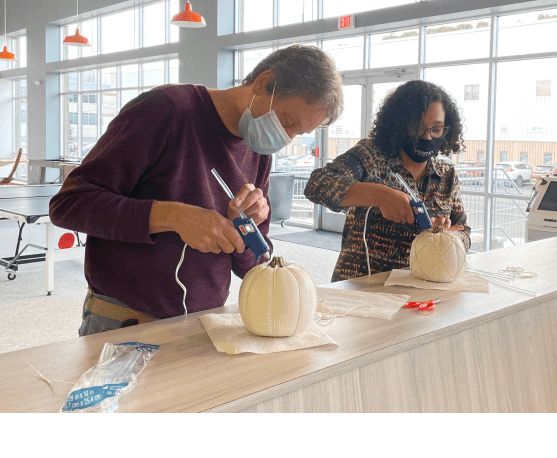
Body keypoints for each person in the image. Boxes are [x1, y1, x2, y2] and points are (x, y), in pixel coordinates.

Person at [47, 44, 344, 334]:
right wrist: (173, 216)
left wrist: (248, 227)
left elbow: (254, 264)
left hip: (204, 324)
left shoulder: (259, 150)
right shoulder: (167, 110)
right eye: (288, 122)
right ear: (264, 83)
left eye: (298, 133)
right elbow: (70, 204)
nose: (286, 138)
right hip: (126, 322)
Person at [303, 79, 470, 282]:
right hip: (362, 288)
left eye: (436, 129)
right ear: (399, 125)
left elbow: (464, 231)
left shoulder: (446, 175)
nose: (427, 137)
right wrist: (379, 195)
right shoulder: (370, 156)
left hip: (422, 291)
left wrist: (448, 236)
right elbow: (317, 184)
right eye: (417, 128)